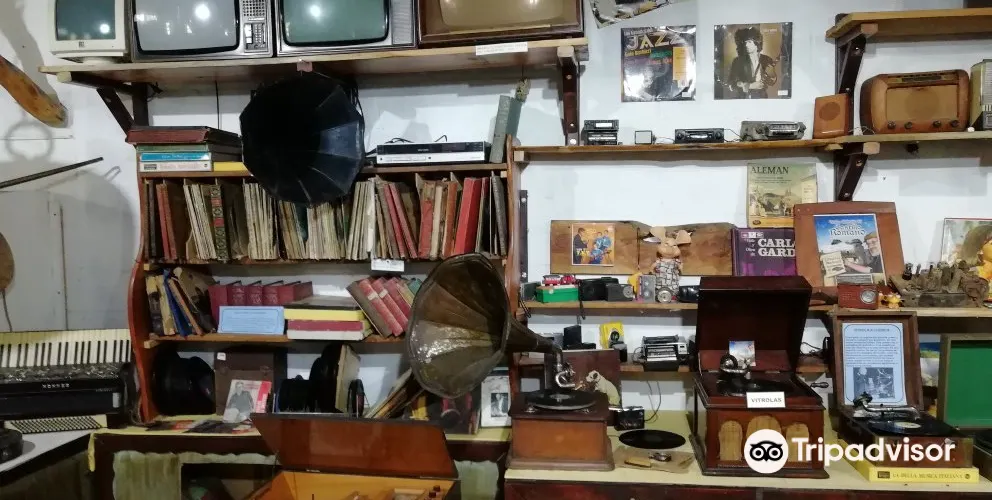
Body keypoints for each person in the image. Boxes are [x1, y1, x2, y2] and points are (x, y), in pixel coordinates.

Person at [726, 26, 777, 99]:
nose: (746, 45)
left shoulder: (767, 59)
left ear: (757, 42)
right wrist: (750, 86)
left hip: (762, 98)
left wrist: (772, 75)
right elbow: (731, 83)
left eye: (749, 42)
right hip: (744, 98)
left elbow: (771, 83)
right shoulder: (737, 61)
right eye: (745, 42)